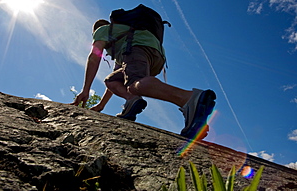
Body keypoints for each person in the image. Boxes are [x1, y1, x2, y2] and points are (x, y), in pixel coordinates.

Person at [71, 17, 216, 140]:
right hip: (157, 56)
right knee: (112, 80)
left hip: (137, 49)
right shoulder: (124, 34)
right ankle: (132, 100)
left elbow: (94, 57)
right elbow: (116, 79)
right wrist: (101, 106)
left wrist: (85, 90)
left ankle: (189, 99)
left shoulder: (103, 30)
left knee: (135, 84)